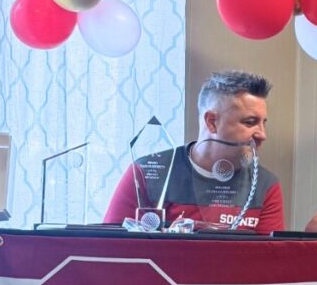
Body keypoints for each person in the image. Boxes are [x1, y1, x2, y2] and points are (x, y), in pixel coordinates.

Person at [103, 70, 284, 233]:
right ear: (212, 122)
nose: (262, 135)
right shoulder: (147, 173)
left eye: (263, 123)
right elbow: (110, 250)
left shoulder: (265, 185)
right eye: (250, 122)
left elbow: (270, 262)